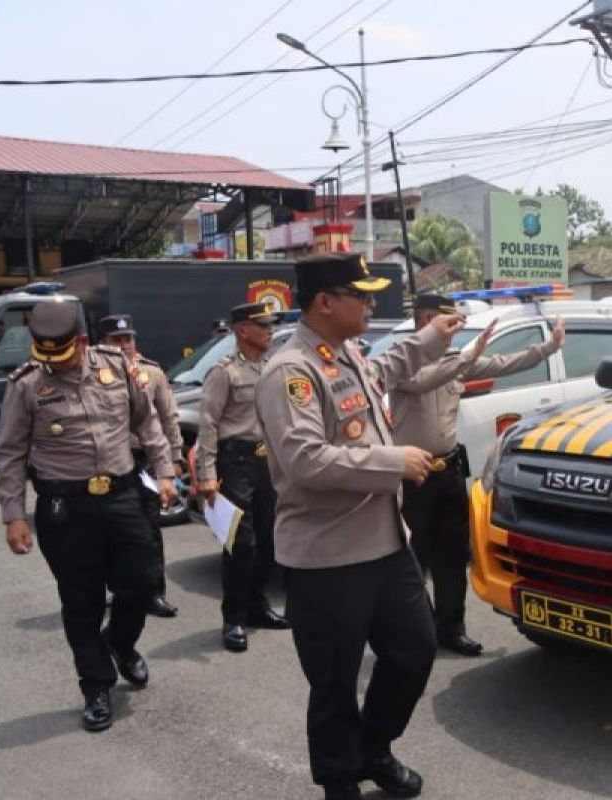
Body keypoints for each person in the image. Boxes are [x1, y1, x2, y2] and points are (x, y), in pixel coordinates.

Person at [255, 253, 463, 800]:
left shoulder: (344, 353)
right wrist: (393, 463)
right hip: (326, 558)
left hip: (384, 544)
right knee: (335, 683)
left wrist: (432, 337)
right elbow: (305, 460)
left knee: (414, 652)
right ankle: (340, 777)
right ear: (326, 301)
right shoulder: (290, 373)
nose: (372, 304)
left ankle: (374, 747)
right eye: (361, 295)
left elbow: (389, 367)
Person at [0, 302, 177, 732]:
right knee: (81, 603)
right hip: (66, 508)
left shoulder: (116, 366)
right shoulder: (27, 384)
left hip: (121, 496)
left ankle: (120, 642)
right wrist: (13, 514)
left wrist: (165, 470)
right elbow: (11, 453)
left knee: (141, 583)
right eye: (45, 355)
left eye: (62, 354)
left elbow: (147, 422)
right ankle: (96, 686)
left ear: (81, 341)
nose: (52, 364)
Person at [393, 293, 565, 656]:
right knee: (413, 560)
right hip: (414, 477)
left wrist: (548, 348)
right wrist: (467, 358)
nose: (456, 329)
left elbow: (503, 363)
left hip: (449, 470)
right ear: (426, 320)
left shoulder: (455, 361)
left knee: (453, 556)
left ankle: (450, 629)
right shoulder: (404, 361)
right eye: (449, 322)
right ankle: (415, 630)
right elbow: (425, 380)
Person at [196, 301, 290, 653]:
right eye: (261, 325)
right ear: (242, 330)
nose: (269, 330)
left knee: (268, 538)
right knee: (240, 542)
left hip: (268, 463)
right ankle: (233, 617)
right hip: (235, 461)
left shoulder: (270, 368)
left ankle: (257, 606)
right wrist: (206, 474)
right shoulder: (223, 372)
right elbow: (207, 424)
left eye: (270, 325)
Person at [98, 313, 185, 618]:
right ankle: (118, 589)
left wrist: (173, 460)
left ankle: (154, 592)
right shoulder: (91, 375)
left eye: (127, 339)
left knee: (149, 529)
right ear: (102, 343)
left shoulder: (151, 372)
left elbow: (168, 417)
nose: (124, 345)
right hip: (108, 462)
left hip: (144, 460)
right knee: (110, 530)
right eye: (115, 340)